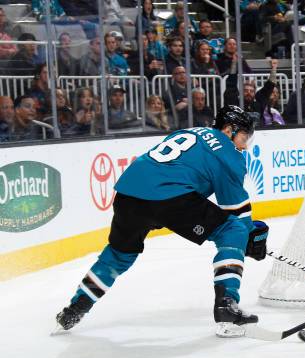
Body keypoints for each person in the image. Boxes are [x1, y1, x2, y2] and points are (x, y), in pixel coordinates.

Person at [55, 105, 269, 338]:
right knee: (233, 230)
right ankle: (227, 305)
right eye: (244, 137)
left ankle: (75, 309)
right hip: (169, 196)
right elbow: (236, 212)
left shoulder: (190, 132)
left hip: (128, 193)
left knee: (119, 254)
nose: (245, 144)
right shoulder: (228, 153)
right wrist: (250, 237)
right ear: (228, 130)